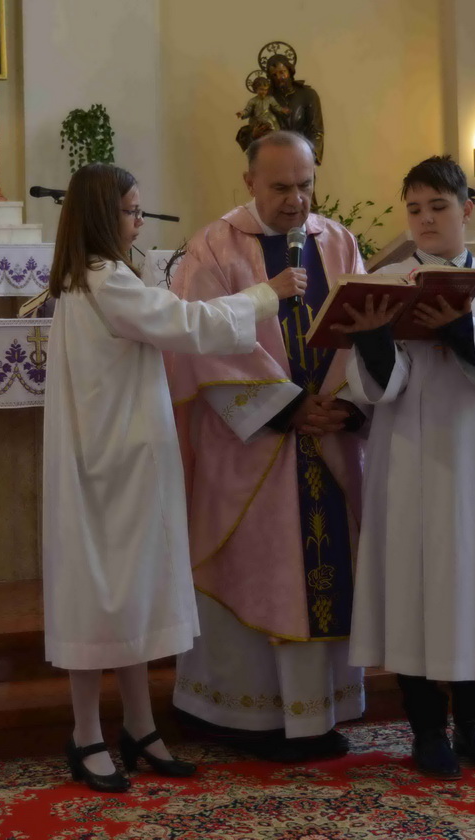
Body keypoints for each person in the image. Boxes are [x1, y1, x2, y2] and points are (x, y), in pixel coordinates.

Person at [44, 162, 304, 791]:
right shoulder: (105, 281)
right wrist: (266, 293)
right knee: (100, 596)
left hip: (127, 460)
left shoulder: (100, 278)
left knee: (132, 592)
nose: (140, 221)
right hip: (107, 467)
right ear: (104, 216)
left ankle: (139, 726)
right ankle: (86, 733)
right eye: (132, 210)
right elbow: (190, 326)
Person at [342, 155, 475, 779]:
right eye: (414, 209)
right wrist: (373, 338)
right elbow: (381, 384)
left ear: (467, 209)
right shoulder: (388, 280)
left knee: (474, 584)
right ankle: (427, 728)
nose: (426, 219)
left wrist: (461, 330)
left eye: (438, 206)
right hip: (407, 454)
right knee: (413, 586)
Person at [167, 130, 369, 762]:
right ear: (249, 181)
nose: (296, 200)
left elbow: (369, 329)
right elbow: (201, 343)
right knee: (257, 572)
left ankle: (316, 714)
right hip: (253, 449)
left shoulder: (338, 243)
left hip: (327, 444)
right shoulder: (213, 248)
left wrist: (346, 405)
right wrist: (286, 406)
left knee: (324, 569)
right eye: (281, 187)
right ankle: (240, 715)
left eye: (305, 185)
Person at [235, 54, 324, 163]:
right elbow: (254, 125)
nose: (279, 77)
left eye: (282, 72)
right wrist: (254, 135)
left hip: (300, 158)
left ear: (289, 71)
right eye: (274, 75)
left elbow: (316, 131)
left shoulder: (308, 95)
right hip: (272, 159)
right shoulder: (266, 97)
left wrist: (309, 156)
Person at [236, 75, 289, 141]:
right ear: (256, 89)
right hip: (258, 119)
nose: (264, 92)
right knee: (259, 133)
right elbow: (248, 110)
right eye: (261, 89)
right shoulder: (253, 101)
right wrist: (242, 113)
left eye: (266, 90)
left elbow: (276, 106)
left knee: (272, 130)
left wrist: (282, 110)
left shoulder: (270, 98)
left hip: (269, 118)